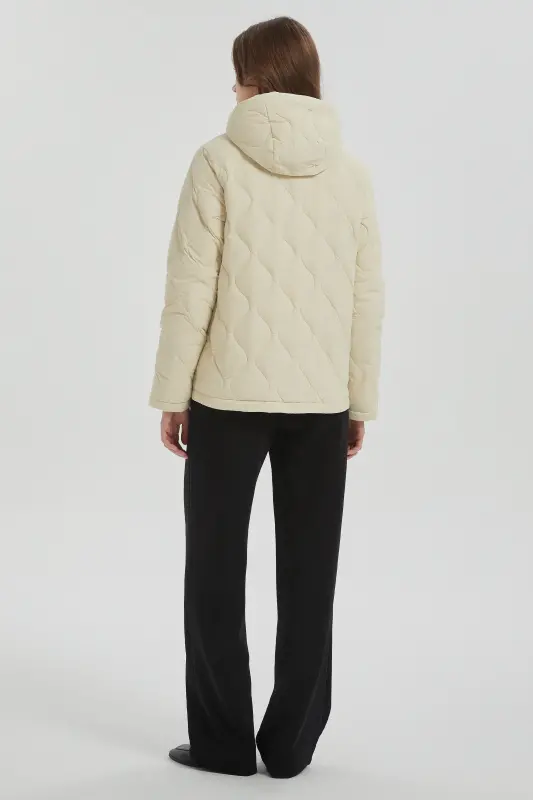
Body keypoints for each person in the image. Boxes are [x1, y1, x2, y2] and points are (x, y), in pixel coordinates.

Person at [149, 15, 384, 780]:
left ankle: (222, 743)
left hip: (225, 397)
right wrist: (357, 401)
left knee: (213, 570)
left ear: (253, 77)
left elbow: (190, 288)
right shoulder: (350, 174)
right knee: (310, 574)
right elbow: (365, 300)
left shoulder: (216, 160)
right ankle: (290, 745)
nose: (232, 88)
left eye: (237, 74)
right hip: (319, 401)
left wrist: (173, 393)